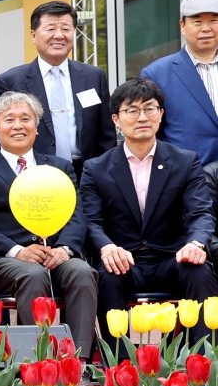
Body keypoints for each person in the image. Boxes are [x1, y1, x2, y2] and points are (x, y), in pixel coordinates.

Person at [81, 77, 218, 358]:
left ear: (161, 115)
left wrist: (196, 243)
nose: (142, 117)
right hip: (124, 259)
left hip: (172, 258)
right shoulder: (96, 168)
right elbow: (90, 221)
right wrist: (107, 247)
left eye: (150, 109)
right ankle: (117, 368)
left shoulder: (185, 161)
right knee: (108, 276)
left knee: (200, 270)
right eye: (132, 111)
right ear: (117, 120)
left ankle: (203, 364)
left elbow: (201, 212)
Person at [0, 91, 98, 360]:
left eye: (26, 119)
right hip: (4, 261)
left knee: (82, 271)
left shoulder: (59, 168)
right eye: (8, 119)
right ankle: (40, 362)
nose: (17, 125)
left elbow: (76, 214)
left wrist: (65, 249)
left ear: (36, 128)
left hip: (56, 255)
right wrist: (17, 251)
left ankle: (77, 362)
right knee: (32, 274)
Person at [0, 1, 114, 172]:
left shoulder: (94, 76)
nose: (59, 35)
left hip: (87, 173)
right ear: (33, 35)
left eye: (66, 29)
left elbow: (106, 134)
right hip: (33, 173)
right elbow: (1, 135)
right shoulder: (11, 81)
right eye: (50, 29)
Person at [142, 0, 218, 167]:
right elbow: (151, 134)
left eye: (214, 20)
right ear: (182, 26)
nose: (206, 28)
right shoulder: (157, 74)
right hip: (188, 179)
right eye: (197, 21)